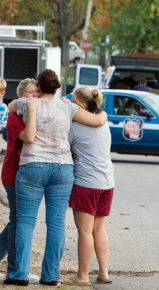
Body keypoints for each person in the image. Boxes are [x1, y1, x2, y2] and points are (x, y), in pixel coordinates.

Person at [5, 69, 107, 286]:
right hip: (62, 169)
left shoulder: (27, 104)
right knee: (56, 223)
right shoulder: (69, 107)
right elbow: (97, 122)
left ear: (39, 88)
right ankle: (50, 275)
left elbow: (9, 106)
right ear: (58, 87)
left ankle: (19, 274)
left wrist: (27, 103)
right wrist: (104, 114)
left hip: (32, 165)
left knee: (25, 222)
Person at [0, 79, 40, 283]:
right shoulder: (15, 118)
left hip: (23, 173)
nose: (35, 96)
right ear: (20, 96)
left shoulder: (31, 114)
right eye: (31, 92)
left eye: (37, 92)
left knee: (18, 221)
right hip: (14, 174)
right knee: (18, 222)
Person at [64, 87, 115, 286]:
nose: (71, 103)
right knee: (99, 228)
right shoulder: (104, 123)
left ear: (83, 106)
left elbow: (63, 146)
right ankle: (104, 272)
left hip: (86, 183)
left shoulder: (75, 127)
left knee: (85, 231)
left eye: (73, 100)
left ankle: (82, 276)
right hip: (107, 182)